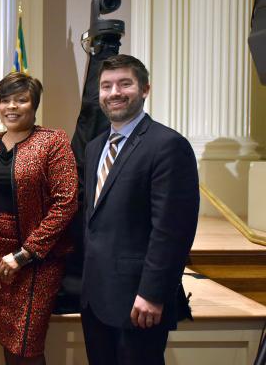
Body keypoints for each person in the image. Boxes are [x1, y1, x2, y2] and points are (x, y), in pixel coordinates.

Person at [80, 54, 199, 365]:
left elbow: (172, 231)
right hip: (96, 297)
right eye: (106, 86)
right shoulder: (95, 147)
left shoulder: (167, 145)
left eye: (124, 84)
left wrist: (153, 293)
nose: (114, 92)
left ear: (145, 89)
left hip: (138, 300)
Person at [0, 72, 78, 365]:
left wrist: (24, 254)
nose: (12, 107)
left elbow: (66, 203)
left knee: (26, 344)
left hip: (39, 261)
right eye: (5, 100)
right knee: (7, 338)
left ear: (34, 105)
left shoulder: (52, 141)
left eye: (21, 100)